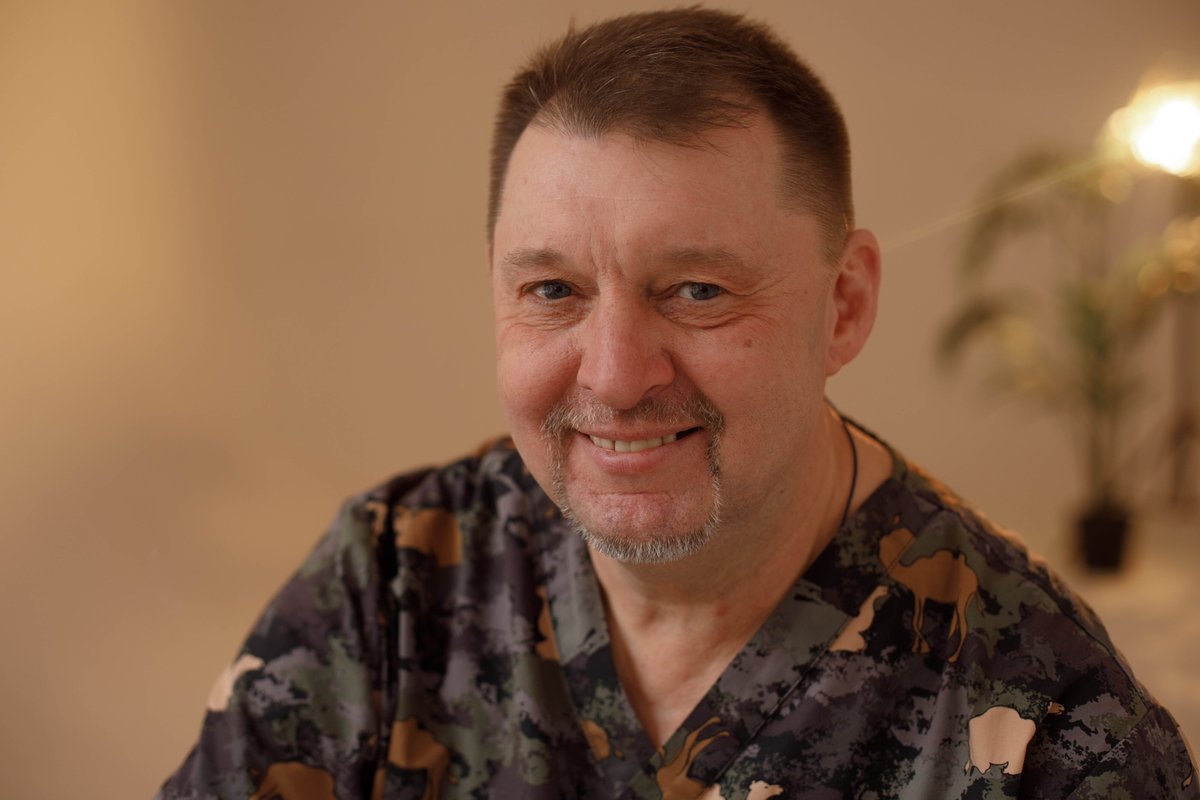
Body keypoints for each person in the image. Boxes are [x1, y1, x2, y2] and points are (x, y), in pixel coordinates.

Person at [158, 8, 1197, 799]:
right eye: (552, 290)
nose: (615, 377)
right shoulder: (391, 582)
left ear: (844, 304)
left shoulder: (1056, 729)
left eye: (697, 290)